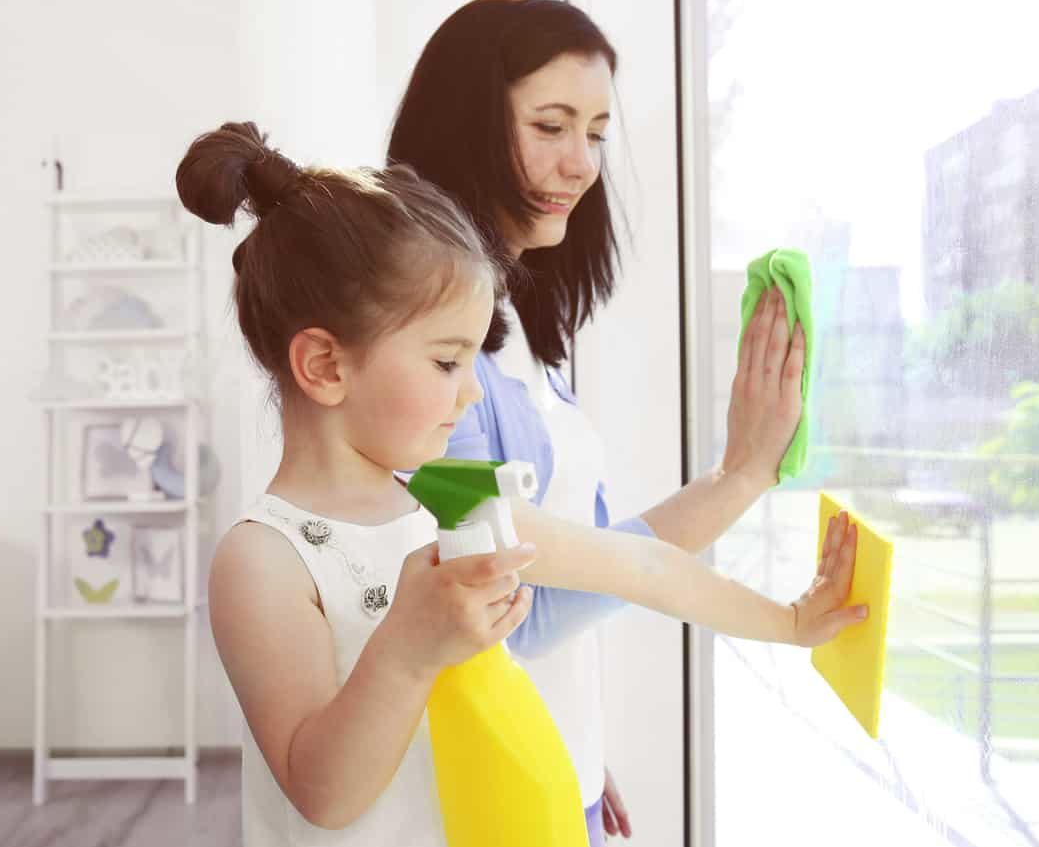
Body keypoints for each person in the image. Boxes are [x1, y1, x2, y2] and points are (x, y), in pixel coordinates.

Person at [178, 121, 864, 846]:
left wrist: (789, 623)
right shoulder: (262, 560)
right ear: (324, 366)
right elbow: (322, 791)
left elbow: (641, 563)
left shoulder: (447, 503)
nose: (471, 392)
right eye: (447, 362)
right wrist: (407, 648)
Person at [387, 0, 811, 840]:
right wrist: (740, 484)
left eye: (596, 132)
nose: (579, 164)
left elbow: (578, 560)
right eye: (549, 125)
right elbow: (519, 602)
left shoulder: (526, 335)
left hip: (555, 766)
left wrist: (747, 468)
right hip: (487, 798)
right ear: (464, 125)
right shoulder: (431, 350)